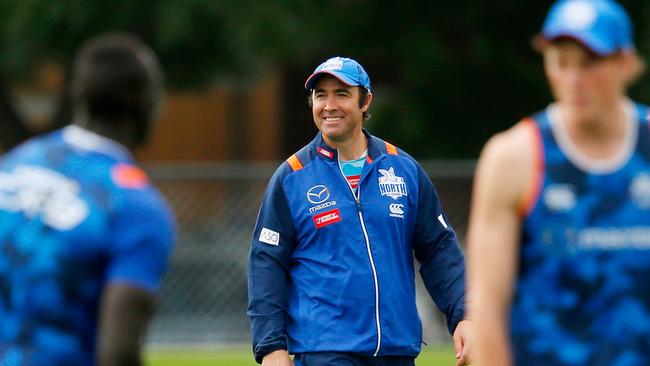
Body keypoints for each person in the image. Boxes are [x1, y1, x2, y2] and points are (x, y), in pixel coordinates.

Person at [248, 56, 471, 366]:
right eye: (320, 94)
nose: (328, 105)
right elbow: (266, 263)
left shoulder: (403, 169)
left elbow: (439, 250)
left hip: (396, 350)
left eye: (341, 94)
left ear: (365, 101)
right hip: (325, 351)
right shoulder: (292, 177)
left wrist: (464, 316)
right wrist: (271, 346)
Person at [467, 0, 649, 365]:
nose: (573, 80)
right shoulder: (514, 157)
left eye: (590, 62)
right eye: (561, 62)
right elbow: (487, 305)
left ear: (625, 64)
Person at [0, 33, 175, 366]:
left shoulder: (12, 166)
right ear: (147, 102)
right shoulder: (136, 207)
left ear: (77, 92)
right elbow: (118, 352)